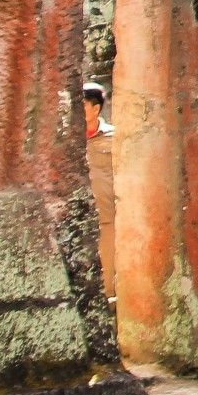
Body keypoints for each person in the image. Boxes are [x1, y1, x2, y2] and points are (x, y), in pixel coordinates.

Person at [82, 83, 116, 297]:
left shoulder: (114, 137)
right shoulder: (67, 137)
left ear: (96, 109)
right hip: (77, 212)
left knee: (107, 267)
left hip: (105, 214)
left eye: (82, 105)